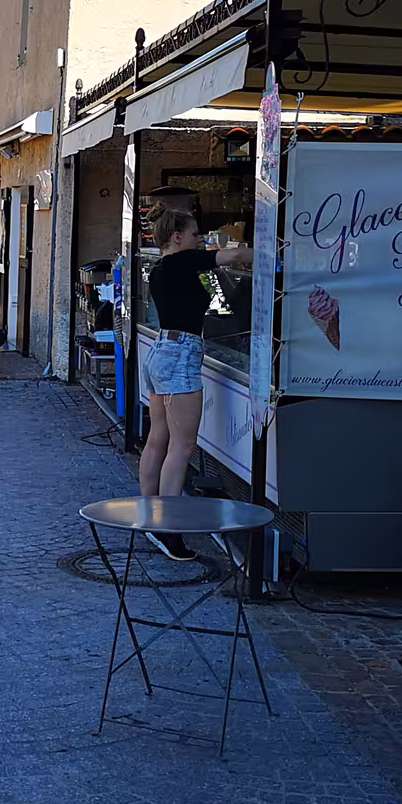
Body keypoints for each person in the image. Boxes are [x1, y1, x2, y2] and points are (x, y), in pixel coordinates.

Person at [139, 206, 252, 558]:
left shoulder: (160, 268)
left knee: (158, 439)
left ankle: (149, 516)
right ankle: (169, 531)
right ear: (177, 237)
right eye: (195, 233)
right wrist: (277, 250)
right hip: (182, 354)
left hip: (161, 350)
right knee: (182, 447)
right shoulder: (187, 261)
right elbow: (234, 254)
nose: (199, 239)